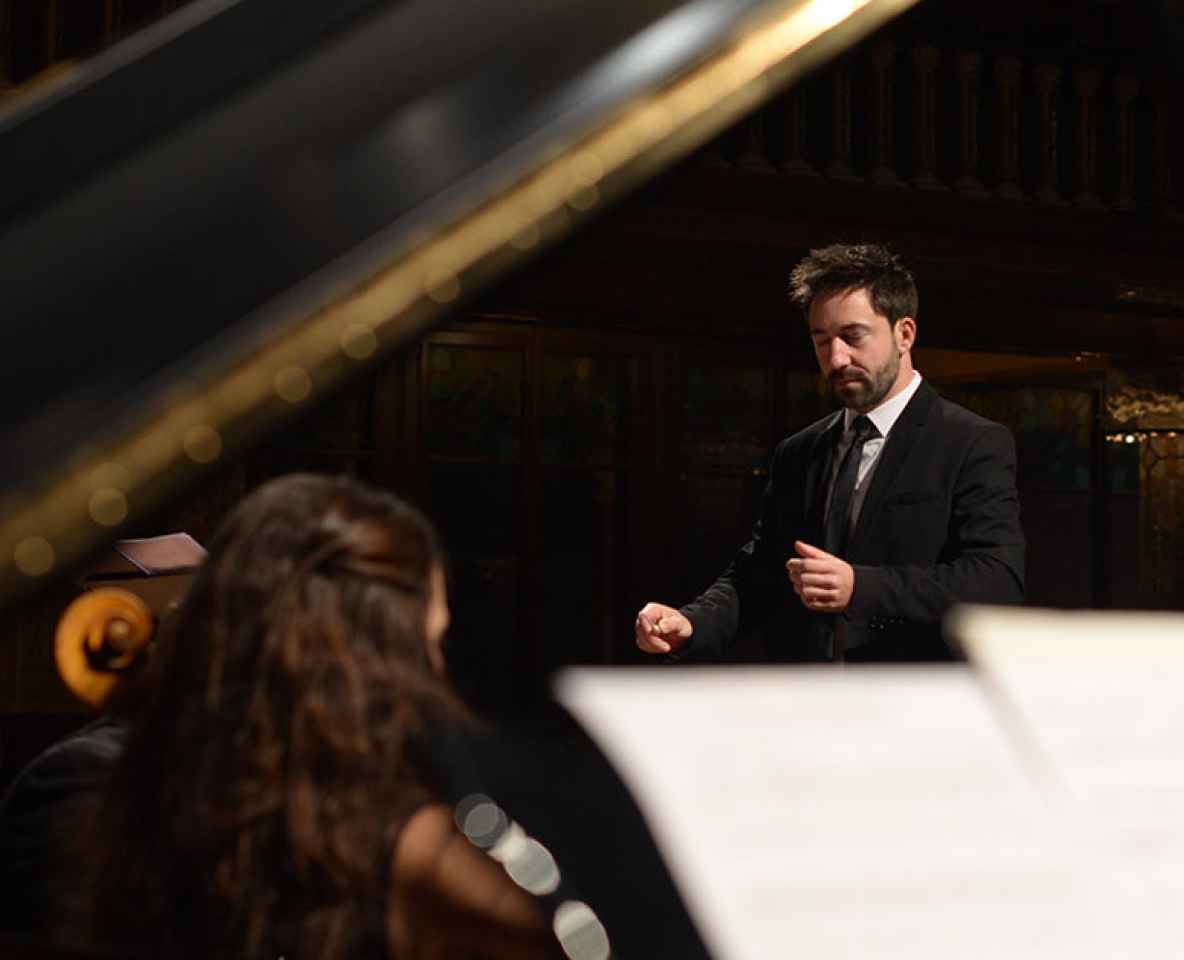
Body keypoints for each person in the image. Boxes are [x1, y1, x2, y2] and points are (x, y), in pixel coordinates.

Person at [66, 474, 562, 960]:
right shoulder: (90, 783)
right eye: (426, 644)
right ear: (363, 662)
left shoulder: (349, 818)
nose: (434, 674)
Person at [635, 243, 1025, 663]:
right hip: (812, 703)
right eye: (822, 341)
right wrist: (691, 623)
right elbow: (761, 572)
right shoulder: (799, 452)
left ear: (904, 333)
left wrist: (860, 587)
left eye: (853, 337)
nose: (836, 358)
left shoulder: (972, 441)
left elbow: (997, 582)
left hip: (917, 703)